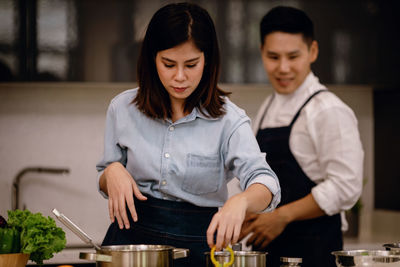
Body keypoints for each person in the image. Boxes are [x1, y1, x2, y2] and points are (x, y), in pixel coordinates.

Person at [95, 3, 281, 266]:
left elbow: (267, 184)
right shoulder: (122, 109)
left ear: (208, 60)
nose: (180, 77)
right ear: (151, 59)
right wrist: (111, 171)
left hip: (197, 250)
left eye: (191, 64)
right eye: (168, 64)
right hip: (131, 248)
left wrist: (241, 201)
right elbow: (106, 181)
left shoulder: (229, 120)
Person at [239, 6, 364, 267]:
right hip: (271, 251)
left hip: (315, 251)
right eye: (273, 57)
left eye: (293, 56)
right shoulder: (267, 108)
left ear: (313, 51)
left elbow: (346, 186)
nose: (283, 68)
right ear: (261, 52)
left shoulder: (329, 110)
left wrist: (282, 216)